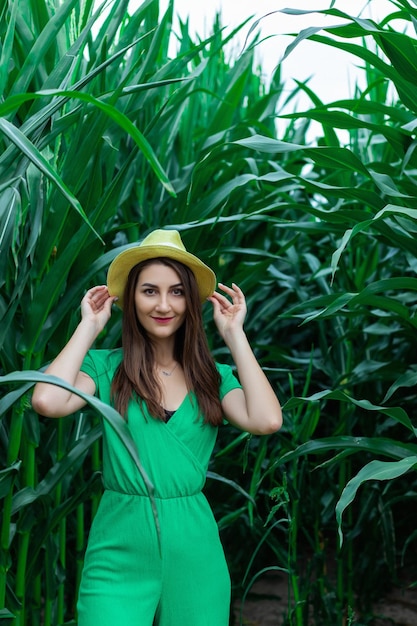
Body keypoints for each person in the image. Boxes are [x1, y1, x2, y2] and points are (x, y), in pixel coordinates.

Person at [31, 228, 282, 626]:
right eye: (149, 291)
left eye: (176, 292)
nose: (163, 304)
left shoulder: (213, 379)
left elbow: (267, 420)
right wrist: (89, 326)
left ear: (190, 300)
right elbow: (47, 401)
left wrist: (234, 336)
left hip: (194, 551)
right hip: (119, 542)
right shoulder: (106, 367)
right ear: (130, 298)